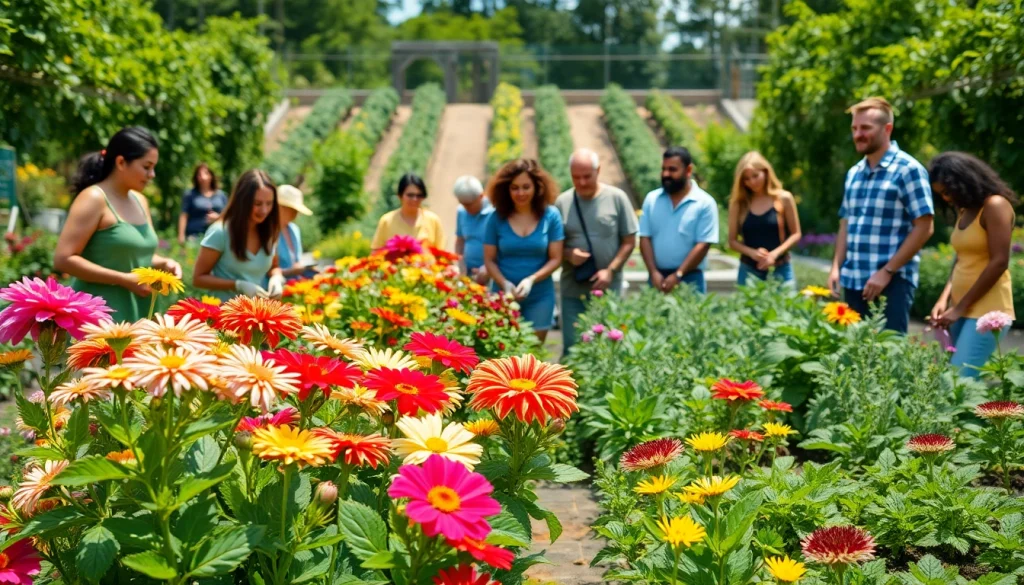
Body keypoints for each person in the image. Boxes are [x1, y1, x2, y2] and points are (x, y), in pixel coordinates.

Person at [828, 97, 935, 333]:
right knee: (855, 357)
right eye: (855, 128)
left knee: (889, 359)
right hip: (854, 279)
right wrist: (836, 267)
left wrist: (886, 272)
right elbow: (845, 222)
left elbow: (925, 226)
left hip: (892, 283)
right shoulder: (854, 173)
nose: (858, 134)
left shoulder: (909, 169)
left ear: (887, 129)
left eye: (865, 128)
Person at [54, 127, 182, 322]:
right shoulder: (94, 198)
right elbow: (64, 259)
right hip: (98, 317)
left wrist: (163, 263)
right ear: (121, 162)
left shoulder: (140, 200)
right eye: (146, 167)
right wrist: (124, 280)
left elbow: (132, 254)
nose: (152, 174)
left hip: (138, 314)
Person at [929, 152, 1016, 376]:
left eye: (948, 191)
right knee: (952, 380)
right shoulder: (965, 210)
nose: (946, 198)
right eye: (942, 195)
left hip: (988, 311)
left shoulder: (995, 206)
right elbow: (961, 259)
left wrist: (959, 308)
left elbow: (999, 262)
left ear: (964, 180)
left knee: (959, 380)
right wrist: (944, 299)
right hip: (960, 308)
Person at [554, 148, 637, 352]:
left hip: (609, 289)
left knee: (609, 349)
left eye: (586, 176)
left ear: (598, 171)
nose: (581, 182)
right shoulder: (562, 203)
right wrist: (568, 254)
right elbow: (552, 247)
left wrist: (610, 270)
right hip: (573, 288)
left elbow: (629, 240)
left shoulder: (617, 198)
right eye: (576, 177)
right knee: (573, 347)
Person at [483, 159, 565, 342]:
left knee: (533, 353)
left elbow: (556, 258)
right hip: (503, 296)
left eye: (526, 187)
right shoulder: (496, 218)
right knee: (503, 350)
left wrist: (531, 279)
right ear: (506, 189)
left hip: (540, 295)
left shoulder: (551, 216)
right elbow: (489, 260)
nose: (521, 193)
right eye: (515, 188)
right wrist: (504, 283)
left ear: (537, 187)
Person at [193, 169, 285, 301]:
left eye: (269, 203)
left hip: (255, 316)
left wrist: (276, 278)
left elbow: (274, 267)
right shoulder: (220, 232)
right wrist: (237, 285)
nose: (264, 210)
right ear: (243, 202)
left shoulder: (270, 232)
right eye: (257, 203)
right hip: (223, 315)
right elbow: (198, 279)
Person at [639, 146, 720, 294]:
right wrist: (653, 272)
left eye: (672, 169)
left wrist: (678, 274)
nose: (666, 174)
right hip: (656, 279)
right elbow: (644, 238)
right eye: (663, 169)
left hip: (690, 279)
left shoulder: (704, 203)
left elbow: (703, 244)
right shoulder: (652, 199)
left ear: (688, 170)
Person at [727, 151, 802, 288]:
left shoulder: (783, 198)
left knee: (786, 308)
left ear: (766, 172)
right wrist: (753, 253)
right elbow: (732, 241)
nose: (752, 182)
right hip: (749, 270)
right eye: (746, 178)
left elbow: (796, 233)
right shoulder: (738, 203)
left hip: (781, 268)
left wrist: (774, 254)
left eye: (755, 176)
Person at [371, 173, 445, 250]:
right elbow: (376, 252)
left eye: (419, 195)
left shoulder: (433, 220)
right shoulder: (387, 221)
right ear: (400, 196)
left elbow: (441, 253)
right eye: (410, 195)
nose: (415, 199)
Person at [454, 175, 494, 285]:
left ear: (481, 196)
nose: (466, 208)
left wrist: (487, 269)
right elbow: (460, 240)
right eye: (463, 204)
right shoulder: (461, 212)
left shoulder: (494, 213)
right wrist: (461, 264)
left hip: (491, 274)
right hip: (468, 273)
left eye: (469, 204)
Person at [275, 184, 318, 282]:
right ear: (280, 207)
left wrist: (306, 269)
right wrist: (291, 271)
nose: (296, 214)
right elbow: (265, 271)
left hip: (295, 284)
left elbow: (297, 261)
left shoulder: (294, 229)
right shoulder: (268, 232)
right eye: (293, 209)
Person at [177, 162, 228, 244]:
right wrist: (181, 236)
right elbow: (184, 215)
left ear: (211, 175)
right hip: (194, 237)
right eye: (199, 174)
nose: (202, 177)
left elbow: (229, 215)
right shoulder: (190, 195)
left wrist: (218, 218)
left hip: (217, 236)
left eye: (205, 173)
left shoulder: (221, 195)